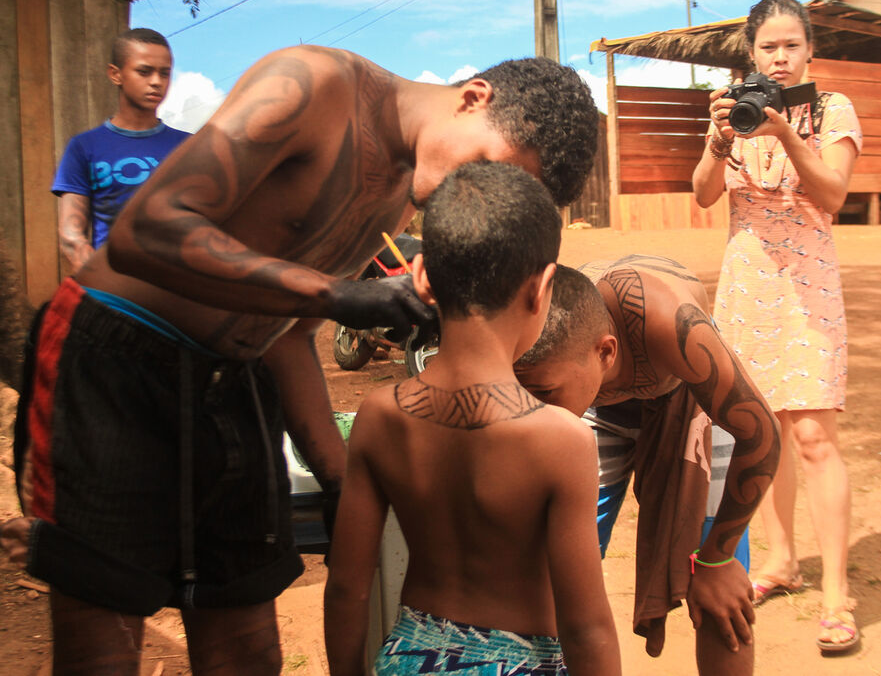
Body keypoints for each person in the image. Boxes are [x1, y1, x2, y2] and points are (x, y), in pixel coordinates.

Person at [4, 49, 598, 675]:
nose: (463, 190)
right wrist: (338, 295)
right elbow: (142, 231)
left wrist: (338, 477)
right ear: (475, 97)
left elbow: (288, 339)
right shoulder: (313, 86)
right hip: (116, 361)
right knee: (103, 646)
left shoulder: (402, 191)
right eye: (482, 165)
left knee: (248, 649)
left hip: (236, 379)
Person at [324, 161, 620, 676]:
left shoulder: (380, 416)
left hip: (408, 657)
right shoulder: (561, 440)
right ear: (541, 289)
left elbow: (348, 587)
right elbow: (586, 628)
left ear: (421, 277)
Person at [691, 0, 863, 653]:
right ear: (752, 53)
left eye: (792, 45)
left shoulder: (830, 109)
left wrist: (786, 130)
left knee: (814, 435)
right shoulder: (733, 108)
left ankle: (838, 593)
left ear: (810, 50)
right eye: (769, 47)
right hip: (747, 285)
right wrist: (717, 138)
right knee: (759, 432)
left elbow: (834, 193)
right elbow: (705, 193)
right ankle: (781, 561)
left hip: (808, 287)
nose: (782, 57)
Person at [514, 255, 780, 675]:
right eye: (526, 394)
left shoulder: (670, 325)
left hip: (691, 401)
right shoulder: (540, 349)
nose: (537, 410)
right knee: (547, 575)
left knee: (719, 595)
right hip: (599, 411)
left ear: (606, 352)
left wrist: (716, 560)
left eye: (545, 393)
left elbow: (762, 432)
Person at [52, 28, 189, 272]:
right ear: (115, 74)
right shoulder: (84, 147)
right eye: (144, 71)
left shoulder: (190, 147)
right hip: (116, 292)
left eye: (165, 73)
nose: (156, 82)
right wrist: (102, 287)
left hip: (179, 290)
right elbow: (71, 235)